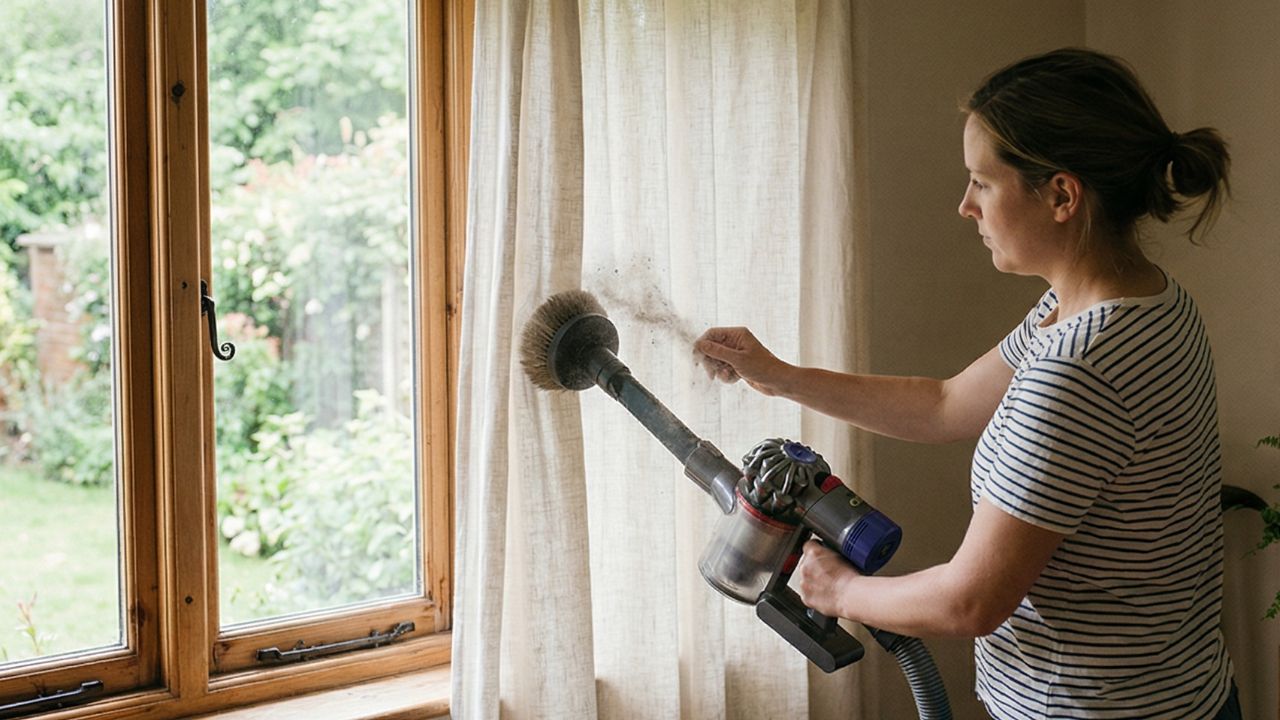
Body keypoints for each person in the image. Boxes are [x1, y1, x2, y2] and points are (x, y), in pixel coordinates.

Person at [695, 48, 1241, 720]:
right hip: (1183, 696)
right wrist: (778, 377)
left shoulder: (1081, 367)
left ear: (1062, 195)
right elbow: (945, 404)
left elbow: (970, 601)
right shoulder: (1135, 303)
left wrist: (838, 592)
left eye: (982, 183)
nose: (964, 206)